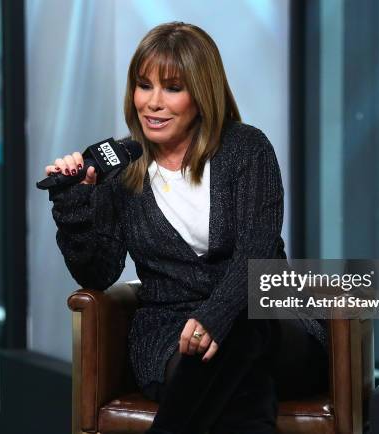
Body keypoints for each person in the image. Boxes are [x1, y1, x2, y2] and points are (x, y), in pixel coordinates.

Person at [45, 22, 327, 434]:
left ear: (201, 94)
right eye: (144, 86)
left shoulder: (246, 148)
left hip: (270, 325)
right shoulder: (119, 170)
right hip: (169, 333)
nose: (153, 103)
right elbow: (97, 273)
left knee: (242, 328)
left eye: (172, 88)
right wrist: (72, 202)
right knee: (238, 387)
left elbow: (257, 255)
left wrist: (216, 316)